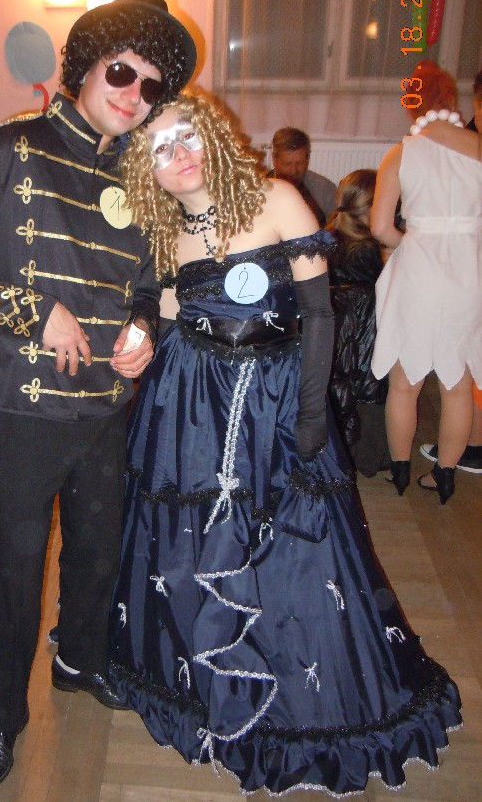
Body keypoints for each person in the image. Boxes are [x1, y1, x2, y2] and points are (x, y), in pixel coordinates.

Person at [108, 92, 462, 796]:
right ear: (148, 172)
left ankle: (300, 698)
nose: (177, 155)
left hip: (273, 399)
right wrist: (140, 331)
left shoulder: (276, 199)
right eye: (158, 150)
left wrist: (308, 415)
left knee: (292, 544)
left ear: (213, 137)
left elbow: (318, 315)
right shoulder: (164, 228)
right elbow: (162, 305)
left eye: (185, 136)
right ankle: (200, 680)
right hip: (191, 401)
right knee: (189, 538)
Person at [0, 0, 197, 792]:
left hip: (105, 405)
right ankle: (5, 716)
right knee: (14, 567)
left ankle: (78, 660)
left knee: (97, 551)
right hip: (23, 407)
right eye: (120, 73)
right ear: (85, 66)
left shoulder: (140, 174)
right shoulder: (9, 149)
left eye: (149, 86)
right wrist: (35, 312)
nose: (132, 95)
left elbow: (147, 283)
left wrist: (142, 327)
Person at [371, 61, 482, 503]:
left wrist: (410, 242)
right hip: (468, 271)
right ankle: (446, 476)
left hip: (419, 271)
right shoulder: (478, 149)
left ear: (411, 104)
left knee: (405, 381)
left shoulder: (401, 152)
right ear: (451, 99)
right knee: (457, 384)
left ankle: (400, 471)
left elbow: (381, 227)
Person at [326, 169, 390, 477]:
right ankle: (371, 455)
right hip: (366, 340)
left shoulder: (328, 238)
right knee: (372, 391)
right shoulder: (370, 250)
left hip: (334, 340)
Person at [268, 126, 336, 225]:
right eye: (287, 164)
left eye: (299, 163)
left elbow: (336, 228)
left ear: (308, 159)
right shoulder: (258, 188)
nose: (293, 171)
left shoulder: (325, 190)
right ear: (274, 159)